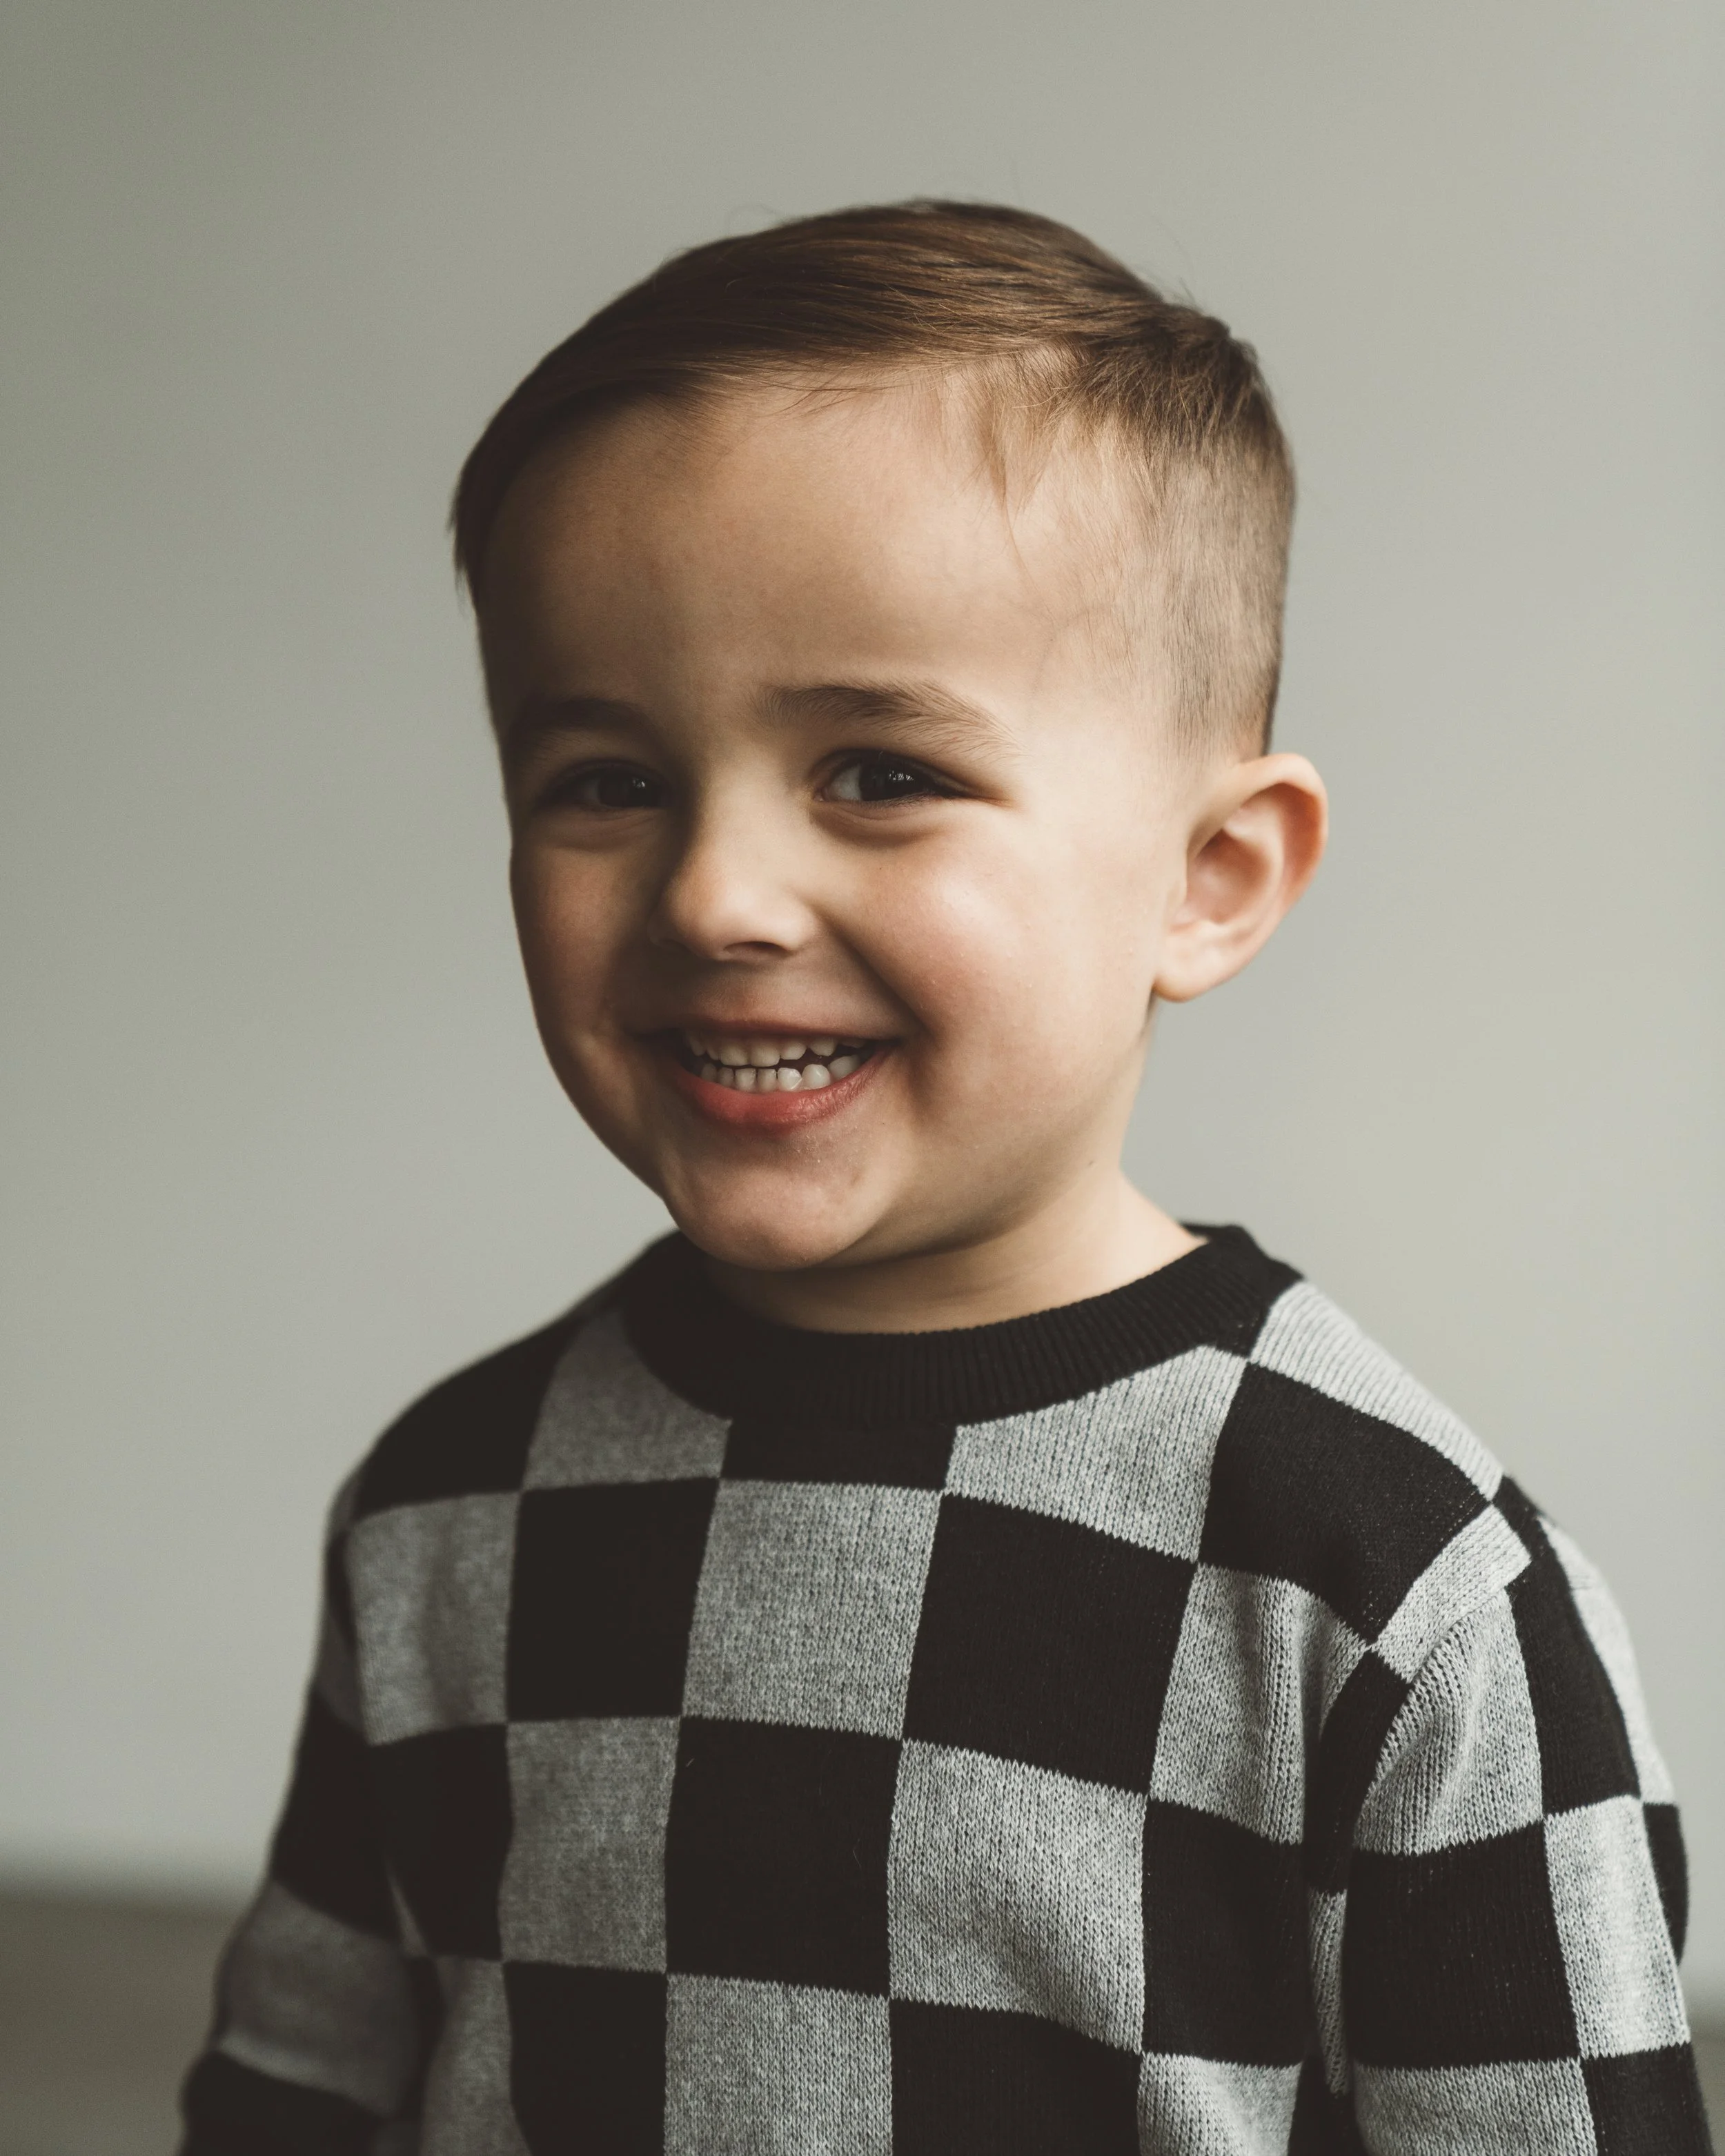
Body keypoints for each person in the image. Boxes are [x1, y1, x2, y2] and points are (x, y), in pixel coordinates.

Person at [179, 201, 1711, 2155]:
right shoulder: (449, 1513)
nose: (718, 894)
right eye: (603, 778)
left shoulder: (1391, 1588)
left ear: (1206, 877)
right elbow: (291, 2101)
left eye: (880, 772)